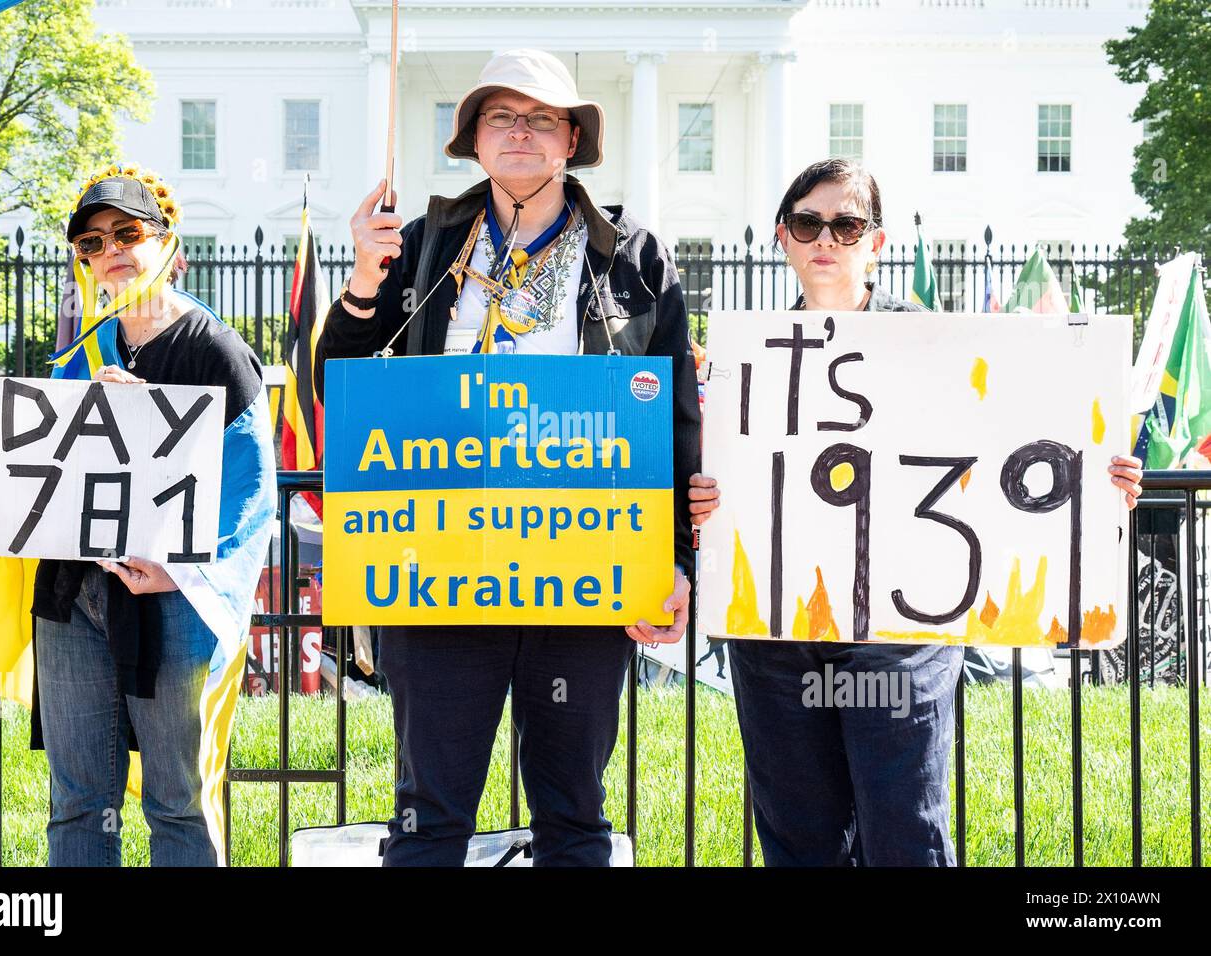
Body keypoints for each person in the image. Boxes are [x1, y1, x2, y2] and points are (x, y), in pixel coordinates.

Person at [688, 158, 1144, 866]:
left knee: (905, 832)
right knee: (799, 838)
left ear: (876, 242)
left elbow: (1020, 446)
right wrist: (709, 494)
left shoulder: (936, 342)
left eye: (847, 224)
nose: (826, 240)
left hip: (901, 629)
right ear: (782, 237)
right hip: (776, 634)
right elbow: (725, 472)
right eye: (809, 223)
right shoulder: (748, 352)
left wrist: (1098, 476)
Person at [314, 49, 701, 866]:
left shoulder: (630, 255)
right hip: (441, 577)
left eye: (540, 119)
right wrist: (359, 281)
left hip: (586, 571)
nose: (519, 132)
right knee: (429, 814)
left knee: (573, 813)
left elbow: (675, 419)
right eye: (501, 117)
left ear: (570, 140)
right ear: (475, 140)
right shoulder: (420, 245)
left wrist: (671, 558)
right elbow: (338, 385)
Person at [30, 164, 276, 866]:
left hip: (173, 601)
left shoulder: (217, 351)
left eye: (126, 233)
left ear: (168, 244)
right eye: (90, 242)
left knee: (177, 799)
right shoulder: (80, 354)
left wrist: (179, 571)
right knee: (78, 798)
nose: (109, 251)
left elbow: (252, 489)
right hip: (74, 594)